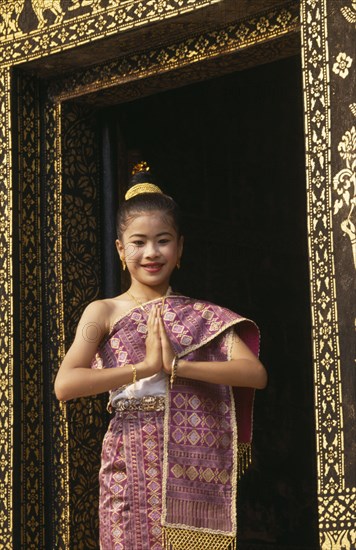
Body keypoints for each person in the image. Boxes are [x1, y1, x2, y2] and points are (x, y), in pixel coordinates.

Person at [54, 162, 267, 550]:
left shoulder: (205, 317)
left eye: (163, 240)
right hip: (128, 457)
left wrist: (177, 367)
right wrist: (144, 368)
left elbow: (254, 373)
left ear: (180, 247)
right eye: (138, 242)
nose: (151, 253)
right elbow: (65, 385)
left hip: (190, 466)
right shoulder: (102, 313)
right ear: (121, 249)